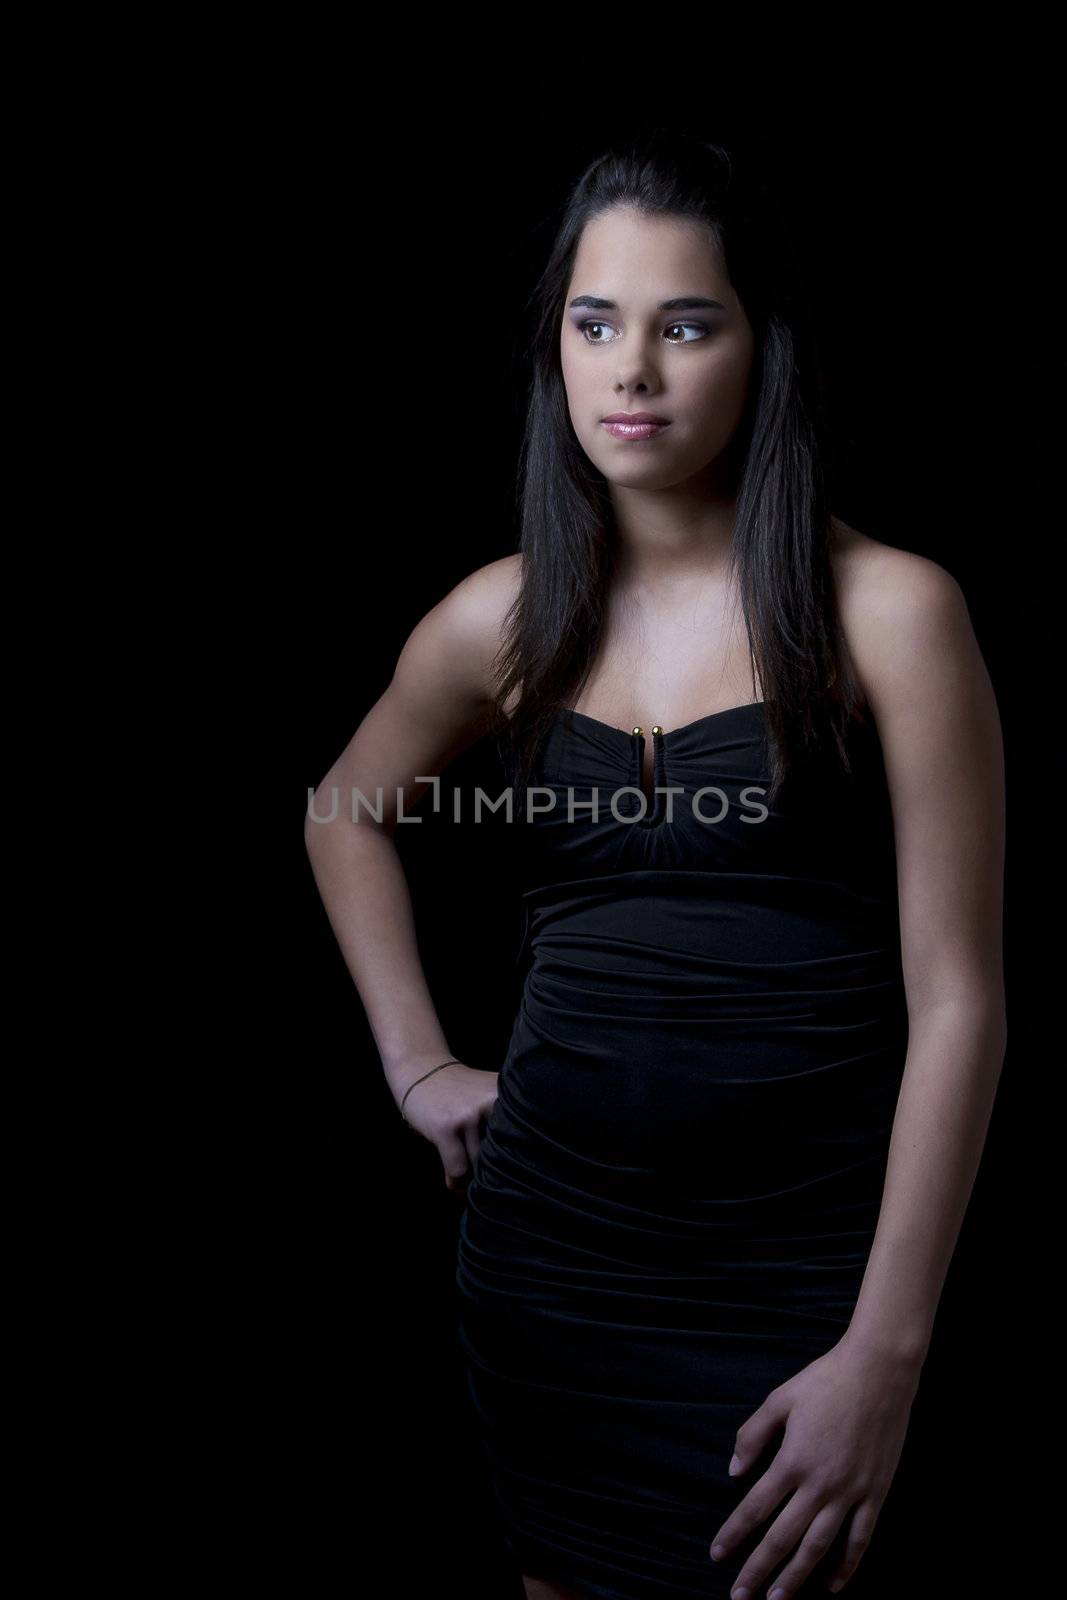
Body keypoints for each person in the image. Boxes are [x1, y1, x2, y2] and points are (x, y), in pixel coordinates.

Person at [304, 133, 1007, 1600]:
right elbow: (342, 811)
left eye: (687, 324)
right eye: (595, 321)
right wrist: (419, 1065)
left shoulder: (891, 612)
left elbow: (961, 1001)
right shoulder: (497, 621)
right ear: (556, 346)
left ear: (760, 349)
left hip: (807, 1271)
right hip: (552, 1265)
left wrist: (885, 1352)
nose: (633, 369)